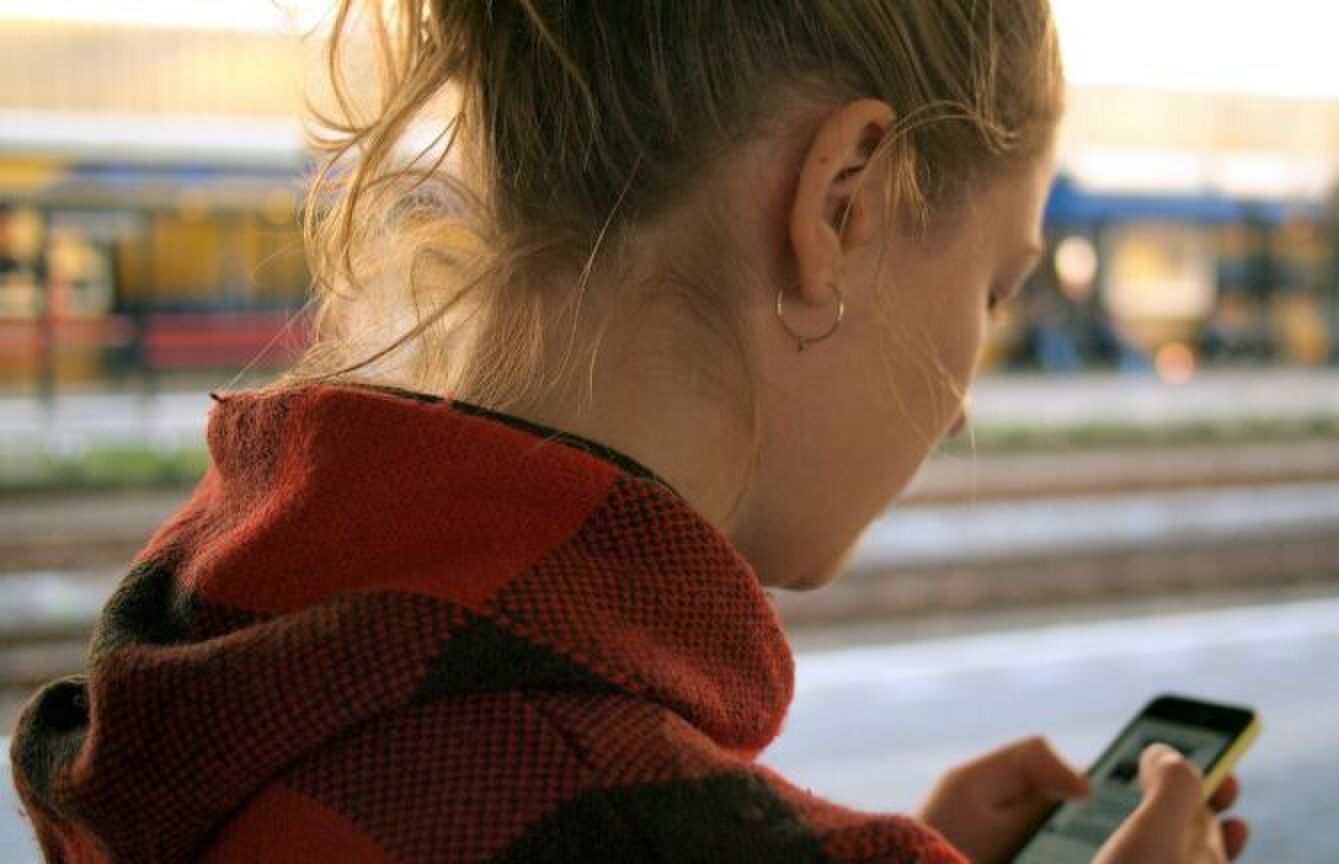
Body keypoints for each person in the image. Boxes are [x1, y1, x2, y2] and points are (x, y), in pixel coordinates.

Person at [9, 1, 1248, 861]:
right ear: (843, 202)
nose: (964, 395)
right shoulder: (621, 809)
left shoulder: (224, 672)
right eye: (994, 289)